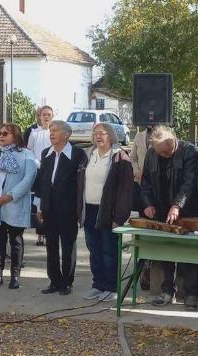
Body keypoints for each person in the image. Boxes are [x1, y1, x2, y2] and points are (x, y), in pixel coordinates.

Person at [140, 125, 198, 309]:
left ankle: (191, 293)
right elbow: (145, 183)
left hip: (187, 211)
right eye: (160, 153)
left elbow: (189, 183)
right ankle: (167, 290)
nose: (164, 156)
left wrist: (177, 205)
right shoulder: (152, 154)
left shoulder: (189, 151)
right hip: (160, 210)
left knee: (190, 253)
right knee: (166, 253)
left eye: (167, 152)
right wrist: (148, 204)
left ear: (174, 140)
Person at [0, 123, 37, 290]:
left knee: (16, 240)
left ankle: (15, 276)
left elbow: (29, 177)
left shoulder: (26, 154)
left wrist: (9, 196)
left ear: (16, 136)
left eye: (5, 133)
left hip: (14, 203)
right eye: (0, 133)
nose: (1, 136)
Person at [82, 123, 134, 302]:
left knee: (109, 251)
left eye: (102, 133)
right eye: (95, 133)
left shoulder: (120, 157)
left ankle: (112, 287)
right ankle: (98, 285)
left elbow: (126, 191)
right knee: (94, 249)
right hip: (89, 209)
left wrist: (119, 217)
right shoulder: (88, 154)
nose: (98, 136)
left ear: (111, 136)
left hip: (108, 212)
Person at [34, 120, 87, 296]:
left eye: (56, 130)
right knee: (51, 245)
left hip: (68, 207)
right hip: (49, 207)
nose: (52, 133)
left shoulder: (77, 154)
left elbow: (81, 184)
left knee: (68, 245)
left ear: (67, 134)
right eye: (50, 130)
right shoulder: (45, 154)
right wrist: (39, 206)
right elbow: (42, 181)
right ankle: (54, 280)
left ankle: (67, 281)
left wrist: (80, 209)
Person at [130, 125, 154, 290]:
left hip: (156, 187)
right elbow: (132, 158)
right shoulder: (139, 136)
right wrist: (136, 170)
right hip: (141, 185)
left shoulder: (165, 133)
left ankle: (153, 274)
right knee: (143, 231)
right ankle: (143, 273)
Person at [26, 105, 54, 246]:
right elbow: (29, 150)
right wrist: (37, 163)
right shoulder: (34, 132)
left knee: (50, 202)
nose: (46, 117)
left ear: (52, 116)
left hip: (53, 171)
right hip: (38, 170)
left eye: (49, 114)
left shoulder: (55, 132)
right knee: (39, 203)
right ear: (40, 116)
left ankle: (51, 233)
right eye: (44, 114)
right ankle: (40, 234)